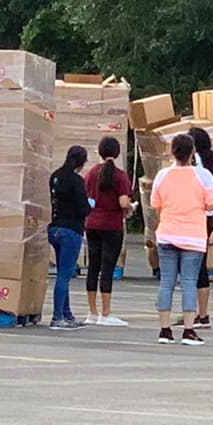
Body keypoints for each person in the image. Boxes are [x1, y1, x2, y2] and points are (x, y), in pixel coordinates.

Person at [151, 133, 213, 346]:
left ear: (172, 152)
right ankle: (189, 330)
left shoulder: (162, 175)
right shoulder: (203, 175)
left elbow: (155, 203)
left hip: (167, 233)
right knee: (189, 282)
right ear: (192, 153)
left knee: (167, 282)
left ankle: (164, 329)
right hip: (193, 236)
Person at [82, 137, 134, 327]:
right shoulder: (120, 176)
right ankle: (106, 312)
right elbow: (123, 202)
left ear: (99, 152)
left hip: (92, 224)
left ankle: (92, 312)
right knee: (107, 267)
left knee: (93, 266)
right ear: (118, 153)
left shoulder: (91, 174)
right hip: (112, 225)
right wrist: (131, 208)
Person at [48, 145, 91, 331]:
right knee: (64, 275)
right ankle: (57, 316)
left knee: (61, 272)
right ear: (82, 162)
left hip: (55, 228)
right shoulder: (77, 181)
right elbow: (83, 209)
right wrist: (91, 204)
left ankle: (66, 314)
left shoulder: (55, 176)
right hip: (70, 231)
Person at [191, 126, 213, 329]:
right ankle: (200, 312)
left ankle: (200, 314)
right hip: (210, 216)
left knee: (194, 264)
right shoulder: (211, 160)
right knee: (199, 261)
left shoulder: (196, 164)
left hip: (197, 215)